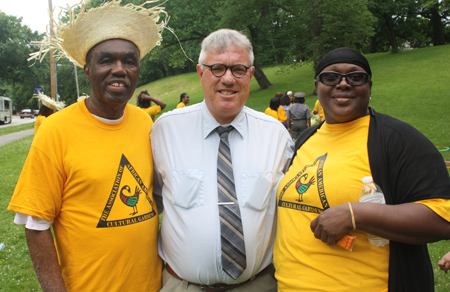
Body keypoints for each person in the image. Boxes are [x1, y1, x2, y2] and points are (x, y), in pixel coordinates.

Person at [8, 1, 167, 291]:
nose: (120, 69)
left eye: (129, 61)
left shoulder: (145, 123)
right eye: (107, 60)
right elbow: (36, 227)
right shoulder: (56, 130)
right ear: (88, 70)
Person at [273, 47, 450, 292]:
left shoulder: (399, 140)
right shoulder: (306, 138)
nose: (343, 84)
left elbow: (443, 218)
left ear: (369, 85)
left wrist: (356, 214)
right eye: (331, 77)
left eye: (356, 77)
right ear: (318, 85)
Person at [151, 29, 294, 292]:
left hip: (258, 285)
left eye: (238, 69)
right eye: (217, 68)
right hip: (183, 286)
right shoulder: (164, 131)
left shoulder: (276, 136)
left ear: (250, 74)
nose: (228, 78)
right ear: (200, 72)